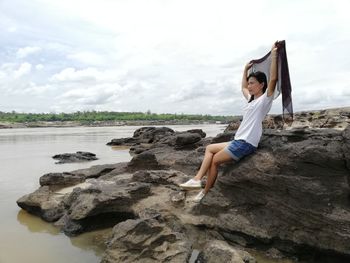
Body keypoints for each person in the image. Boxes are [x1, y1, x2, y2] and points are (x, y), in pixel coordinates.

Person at [179, 42, 279, 202]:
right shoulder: (251, 101)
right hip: (239, 140)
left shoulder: (264, 101)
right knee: (210, 148)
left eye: (253, 83)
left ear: (262, 85)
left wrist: (274, 54)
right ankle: (197, 180)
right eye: (249, 83)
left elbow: (273, 78)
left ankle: (203, 191)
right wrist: (245, 69)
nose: (250, 85)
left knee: (214, 162)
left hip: (246, 143)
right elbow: (242, 88)